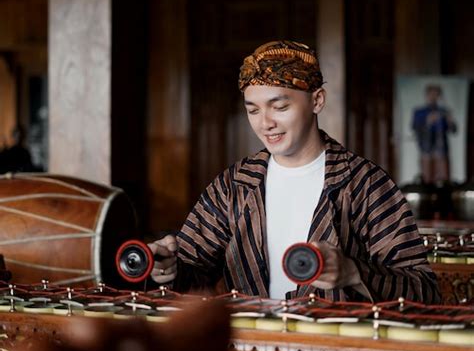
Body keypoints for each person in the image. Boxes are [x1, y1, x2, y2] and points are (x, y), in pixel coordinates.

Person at [149, 40, 440, 303]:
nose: (265, 123)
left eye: (279, 106)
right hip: (250, 350)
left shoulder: (365, 184)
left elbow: (424, 290)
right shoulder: (234, 185)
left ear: (317, 101)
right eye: (253, 111)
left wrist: (353, 272)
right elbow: (192, 271)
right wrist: (169, 269)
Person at [411, 84, 457, 183]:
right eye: (431, 94)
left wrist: (450, 121)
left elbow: (453, 130)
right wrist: (427, 122)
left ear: (439, 96)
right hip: (426, 148)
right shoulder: (419, 112)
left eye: (436, 95)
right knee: (427, 177)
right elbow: (414, 127)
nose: (433, 97)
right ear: (426, 95)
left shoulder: (444, 111)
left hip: (441, 149)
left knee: (443, 177)